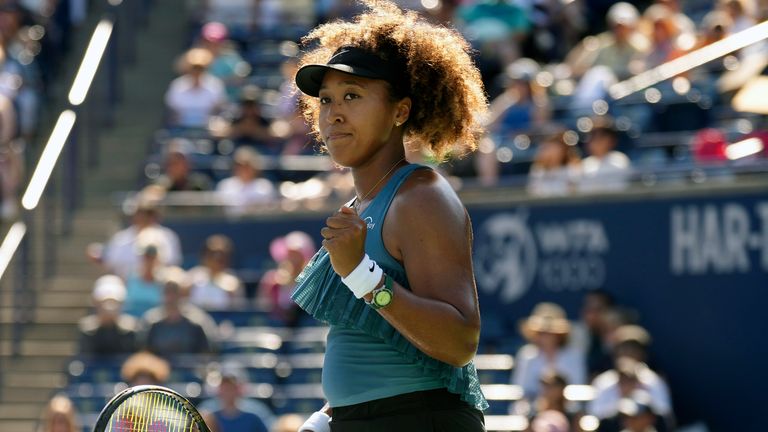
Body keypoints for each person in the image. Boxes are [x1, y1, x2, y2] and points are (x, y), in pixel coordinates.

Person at [290, 1, 488, 430]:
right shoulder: (363, 205)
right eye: (325, 100)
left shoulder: (421, 195)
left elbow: (459, 342)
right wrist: (326, 419)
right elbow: (374, 343)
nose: (334, 113)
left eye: (353, 96)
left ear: (400, 111)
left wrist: (363, 274)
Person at [512, 303, 586, 406]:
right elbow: (522, 388)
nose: (546, 337)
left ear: (559, 335)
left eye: (551, 332)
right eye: (541, 332)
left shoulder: (573, 356)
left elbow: (577, 386)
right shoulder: (527, 355)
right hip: (533, 409)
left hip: (567, 408)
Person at [91, 197, 182, 279]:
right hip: (125, 281)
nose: (142, 217)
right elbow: (111, 263)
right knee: (107, 284)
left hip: (158, 282)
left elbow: (172, 262)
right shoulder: (121, 237)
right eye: (139, 213)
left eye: (147, 213)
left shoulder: (167, 236)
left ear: (154, 216)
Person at [142, 268, 215, 356]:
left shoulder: (199, 322)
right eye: (167, 291)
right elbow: (145, 354)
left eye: (175, 291)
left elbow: (206, 356)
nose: (170, 297)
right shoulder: (150, 321)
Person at [258, 230, 316, 326]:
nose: (293, 258)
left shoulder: (312, 281)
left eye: (297, 254)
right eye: (290, 254)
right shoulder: (271, 281)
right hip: (277, 328)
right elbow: (263, 308)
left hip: (303, 328)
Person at [198, 362, 275, 432]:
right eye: (224, 386)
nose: (228, 391)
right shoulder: (206, 412)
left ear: (241, 388)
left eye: (232, 387)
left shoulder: (257, 412)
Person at [165, 47, 227, 129]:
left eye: (201, 68)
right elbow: (172, 110)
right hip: (180, 128)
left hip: (208, 129)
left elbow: (219, 108)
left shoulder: (215, 85)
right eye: (194, 68)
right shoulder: (177, 85)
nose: (197, 71)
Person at [78, 274, 139, 356]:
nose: (109, 307)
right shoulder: (87, 329)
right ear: (96, 302)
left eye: (114, 302)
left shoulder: (132, 329)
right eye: (104, 302)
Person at [215, 146, 276, 216]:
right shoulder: (225, 185)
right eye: (240, 165)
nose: (243, 169)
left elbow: (269, 211)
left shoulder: (265, 186)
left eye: (247, 165)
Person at [188, 234, 245, 309]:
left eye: (222, 254)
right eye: (212, 253)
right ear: (204, 256)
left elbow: (237, 309)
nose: (217, 258)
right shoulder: (192, 276)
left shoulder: (234, 282)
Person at [577, 118, 632, 194]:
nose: (596, 141)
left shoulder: (620, 159)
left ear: (611, 139)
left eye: (601, 137)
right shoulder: (584, 164)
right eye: (593, 137)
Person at [526, 131, 582, 197]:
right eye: (547, 149)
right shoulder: (537, 170)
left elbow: (573, 192)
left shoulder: (572, 170)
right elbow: (533, 192)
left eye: (556, 149)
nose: (551, 154)